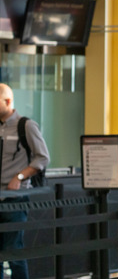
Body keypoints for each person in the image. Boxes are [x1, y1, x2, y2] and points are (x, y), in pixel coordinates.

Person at [0, 83, 50, 279]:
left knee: (14, 253)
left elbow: (43, 158)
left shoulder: (26, 125)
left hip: (15, 200)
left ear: (8, 101)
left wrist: (19, 177)